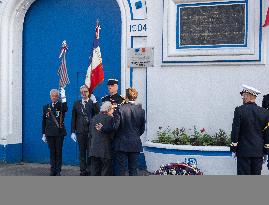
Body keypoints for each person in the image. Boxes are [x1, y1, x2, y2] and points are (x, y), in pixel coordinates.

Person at [96, 88, 146, 176]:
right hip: (135, 143)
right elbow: (142, 129)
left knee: (121, 170)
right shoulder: (141, 110)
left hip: (122, 144)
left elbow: (115, 127)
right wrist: (135, 136)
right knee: (133, 169)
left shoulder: (119, 109)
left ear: (126, 97)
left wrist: (103, 128)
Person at [231, 84, 269, 175]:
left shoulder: (239, 110)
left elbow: (235, 131)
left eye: (243, 96)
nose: (242, 98)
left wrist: (233, 149)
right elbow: (267, 134)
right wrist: (266, 151)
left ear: (248, 96)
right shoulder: (265, 112)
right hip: (258, 152)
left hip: (243, 152)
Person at [71, 85, 99, 176]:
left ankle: (90, 170)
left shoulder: (92, 102)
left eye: (85, 91)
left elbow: (98, 114)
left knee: (90, 152)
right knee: (82, 152)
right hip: (80, 132)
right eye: (82, 92)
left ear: (89, 92)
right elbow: (73, 118)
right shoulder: (76, 103)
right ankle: (83, 170)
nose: (83, 93)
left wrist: (95, 102)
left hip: (90, 132)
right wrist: (72, 132)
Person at [42, 88, 68, 176]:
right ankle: (52, 170)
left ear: (58, 97)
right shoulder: (46, 107)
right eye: (53, 96)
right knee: (52, 152)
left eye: (56, 96)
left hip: (59, 133)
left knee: (58, 152)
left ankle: (58, 170)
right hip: (49, 133)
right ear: (50, 96)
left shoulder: (61, 105)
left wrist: (64, 96)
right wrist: (43, 134)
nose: (54, 97)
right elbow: (44, 121)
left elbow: (66, 108)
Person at [89, 101, 114, 176]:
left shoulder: (94, 118)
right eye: (112, 109)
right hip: (105, 149)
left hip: (94, 148)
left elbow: (90, 133)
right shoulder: (110, 119)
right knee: (105, 171)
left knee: (94, 170)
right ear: (109, 109)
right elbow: (112, 134)